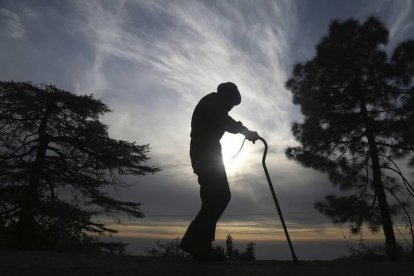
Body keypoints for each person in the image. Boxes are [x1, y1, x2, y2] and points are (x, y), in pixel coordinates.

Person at [179, 82, 259, 261]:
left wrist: (243, 130)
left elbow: (225, 120)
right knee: (220, 196)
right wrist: (246, 131)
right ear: (227, 96)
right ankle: (195, 243)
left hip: (208, 151)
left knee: (212, 198)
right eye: (231, 104)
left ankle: (202, 247)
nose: (230, 108)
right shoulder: (213, 102)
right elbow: (226, 122)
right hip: (205, 152)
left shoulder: (213, 103)